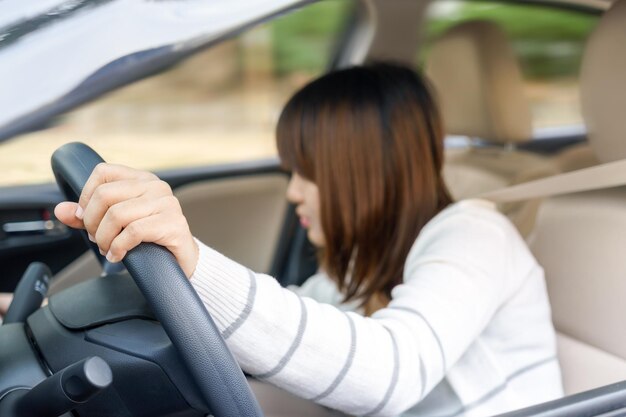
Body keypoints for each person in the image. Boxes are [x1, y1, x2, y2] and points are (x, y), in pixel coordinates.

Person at [52, 63, 562, 416]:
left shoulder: (476, 232)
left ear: (367, 169)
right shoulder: (361, 264)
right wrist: (48, 313)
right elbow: (296, 323)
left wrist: (196, 264)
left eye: (308, 171)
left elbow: (390, 373)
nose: (293, 191)